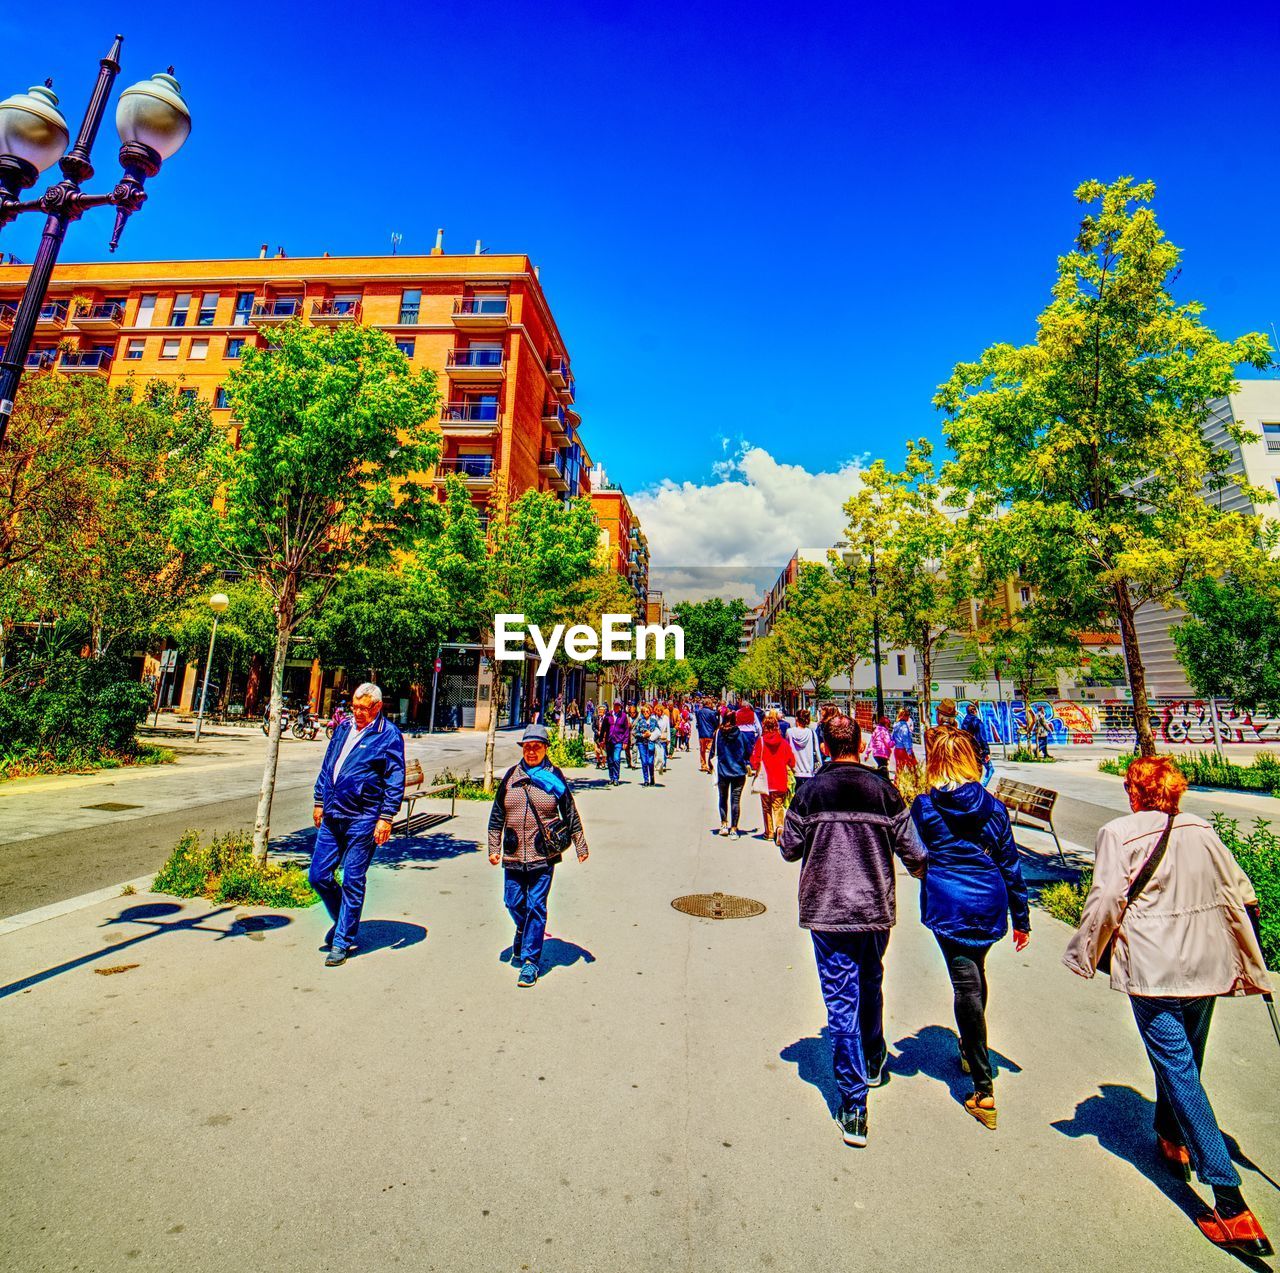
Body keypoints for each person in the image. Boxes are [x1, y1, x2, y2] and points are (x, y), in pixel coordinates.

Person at [1063, 757, 1273, 1258]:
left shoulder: (1119, 833)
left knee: (1178, 1069)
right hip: (1208, 962)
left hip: (1154, 970)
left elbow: (1107, 900)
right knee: (1186, 1060)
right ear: (1175, 792)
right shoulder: (1201, 828)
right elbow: (1242, 892)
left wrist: (1084, 953)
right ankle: (1171, 1134)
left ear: (1133, 793)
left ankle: (1229, 1201)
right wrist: (1253, 949)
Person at [778, 714, 927, 1148]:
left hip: (827, 909)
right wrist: (925, 873)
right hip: (874, 906)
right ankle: (875, 1056)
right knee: (871, 979)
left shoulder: (808, 793)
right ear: (859, 743)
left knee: (841, 1001)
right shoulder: (884, 791)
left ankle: (855, 1104)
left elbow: (790, 849)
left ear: (824, 747)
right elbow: (914, 851)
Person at [911, 727, 1030, 1130]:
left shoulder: (925, 807)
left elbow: (914, 851)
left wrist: (925, 871)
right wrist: (1022, 918)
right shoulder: (994, 808)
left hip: (949, 903)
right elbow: (1011, 863)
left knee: (966, 985)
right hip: (989, 900)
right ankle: (969, 1045)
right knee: (976, 975)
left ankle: (983, 1088)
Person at [310, 682, 406, 967]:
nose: (357, 712)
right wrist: (319, 799)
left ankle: (342, 940)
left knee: (353, 879)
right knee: (318, 875)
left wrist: (386, 817)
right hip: (333, 814)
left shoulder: (388, 735)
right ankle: (344, 919)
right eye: (354, 706)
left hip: (363, 818)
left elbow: (395, 779)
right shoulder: (343, 728)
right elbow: (329, 765)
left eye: (363, 708)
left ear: (377, 707)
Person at [488, 723, 589, 988]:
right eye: (528, 747)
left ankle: (531, 962)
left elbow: (569, 811)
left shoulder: (554, 777)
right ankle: (523, 929)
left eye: (537, 747)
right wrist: (493, 847)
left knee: (535, 904)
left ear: (545, 749)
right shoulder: (511, 776)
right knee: (512, 901)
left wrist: (580, 845)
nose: (532, 752)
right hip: (512, 852)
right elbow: (497, 814)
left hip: (542, 853)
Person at [750, 709, 796, 841]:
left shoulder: (761, 741)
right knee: (778, 806)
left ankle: (769, 832)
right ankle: (779, 828)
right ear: (777, 726)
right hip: (780, 779)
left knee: (766, 807)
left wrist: (756, 767)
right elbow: (791, 761)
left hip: (765, 781)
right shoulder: (783, 743)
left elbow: (754, 760)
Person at [708, 709, 752, 837]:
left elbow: (712, 752)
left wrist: (711, 766)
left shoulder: (718, 734)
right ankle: (734, 828)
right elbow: (748, 751)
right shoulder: (741, 735)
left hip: (722, 770)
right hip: (738, 772)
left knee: (723, 798)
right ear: (735, 720)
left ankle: (723, 824)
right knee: (735, 800)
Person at [786, 707, 822, 791]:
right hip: (809, 772)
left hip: (794, 771)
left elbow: (787, 749)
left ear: (796, 719)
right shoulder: (812, 733)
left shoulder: (789, 732)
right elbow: (817, 752)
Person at [961, 702, 994, 785]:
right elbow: (982, 738)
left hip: (968, 751)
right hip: (979, 751)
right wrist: (986, 752)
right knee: (990, 769)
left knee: (973, 771)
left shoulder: (964, 723)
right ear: (975, 711)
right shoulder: (977, 722)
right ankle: (982, 787)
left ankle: (975, 788)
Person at [606, 701, 629, 785]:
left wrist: (625, 741)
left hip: (618, 740)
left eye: (618, 705)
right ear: (613, 705)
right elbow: (604, 727)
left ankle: (616, 778)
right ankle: (611, 777)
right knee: (610, 760)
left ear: (620, 706)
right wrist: (602, 739)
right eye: (615, 705)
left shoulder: (623, 716)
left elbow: (626, 729)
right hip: (609, 740)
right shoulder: (609, 714)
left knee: (616, 759)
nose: (616, 707)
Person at [636, 702, 658, 786]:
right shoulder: (640, 721)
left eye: (647, 711)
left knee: (650, 761)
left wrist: (651, 735)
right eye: (644, 712)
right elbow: (635, 732)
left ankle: (652, 776)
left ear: (650, 712)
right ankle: (646, 779)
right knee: (644, 762)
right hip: (642, 743)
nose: (646, 713)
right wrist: (643, 735)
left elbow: (658, 731)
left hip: (651, 743)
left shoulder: (654, 721)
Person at [890, 708, 917, 777]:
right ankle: (916, 785)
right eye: (907, 715)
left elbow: (892, 738)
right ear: (903, 716)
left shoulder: (896, 725)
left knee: (899, 770)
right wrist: (909, 752)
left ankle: (896, 785)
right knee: (913, 770)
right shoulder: (904, 726)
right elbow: (906, 740)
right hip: (904, 750)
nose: (909, 716)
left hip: (897, 750)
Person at [695, 698, 720, 771]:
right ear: (708, 704)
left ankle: (703, 765)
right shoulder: (711, 712)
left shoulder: (699, 712)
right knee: (710, 750)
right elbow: (715, 723)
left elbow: (698, 723)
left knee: (702, 750)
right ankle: (710, 766)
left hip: (701, 733)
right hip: (710, 733)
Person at [654, 704, 671, 775]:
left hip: (663, 737)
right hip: (656, 737)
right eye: (657, 711)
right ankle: (657, 765)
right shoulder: (654, 718)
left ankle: (663, 765)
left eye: (660, 711)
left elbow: (668, 728)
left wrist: (668, 738)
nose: (658, 712)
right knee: (657, 752)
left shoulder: (666, 718)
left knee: (663, 751)